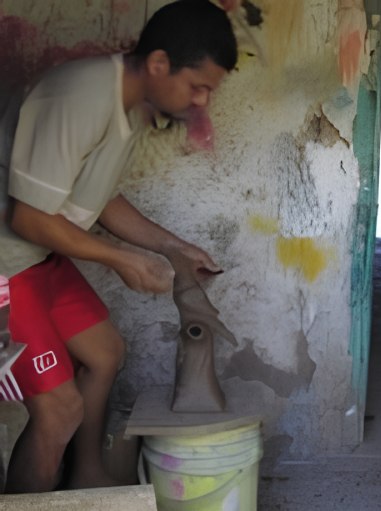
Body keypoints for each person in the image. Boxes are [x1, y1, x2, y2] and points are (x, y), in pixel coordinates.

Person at [0, 0, 238, 492]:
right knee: (58, 410)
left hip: (39, 258)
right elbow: (27, 216)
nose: (201, 103)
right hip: (4, 267)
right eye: (198, 87)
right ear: (158, 64)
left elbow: (99, 197)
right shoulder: (79, 96)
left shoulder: (130, 106)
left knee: (106, 353)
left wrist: (175, 248)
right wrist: (121, 259)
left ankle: (86, 478)